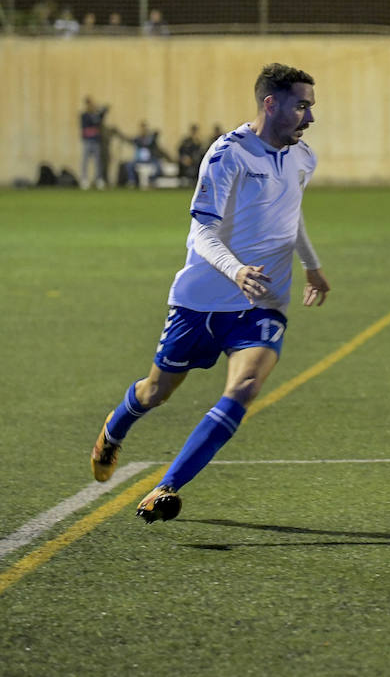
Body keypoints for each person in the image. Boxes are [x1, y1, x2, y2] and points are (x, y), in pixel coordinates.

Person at [88, 63, 330, 523]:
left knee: (244, 387)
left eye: (312, 107)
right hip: (202, 300)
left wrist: (311, 266)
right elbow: (202, 231)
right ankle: (115, 428)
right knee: (156, 392)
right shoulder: (228, 155)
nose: (310, 118)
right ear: (270, 103)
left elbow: (290, 214)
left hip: (262, 300)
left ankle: (166, 487)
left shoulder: (303, 158)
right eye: (302, 106)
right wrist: (235, 270)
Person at [78, 96, 110, 189]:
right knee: (85, 161)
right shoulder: (84, 115)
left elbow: (103, 113)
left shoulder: (96, 115)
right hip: (87, 141)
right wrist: (97, 113)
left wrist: (99, 108)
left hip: (96, 142)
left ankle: (99, 179)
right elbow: (90, 123)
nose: (91, 106)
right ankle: (84, 179)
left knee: (97, 162)